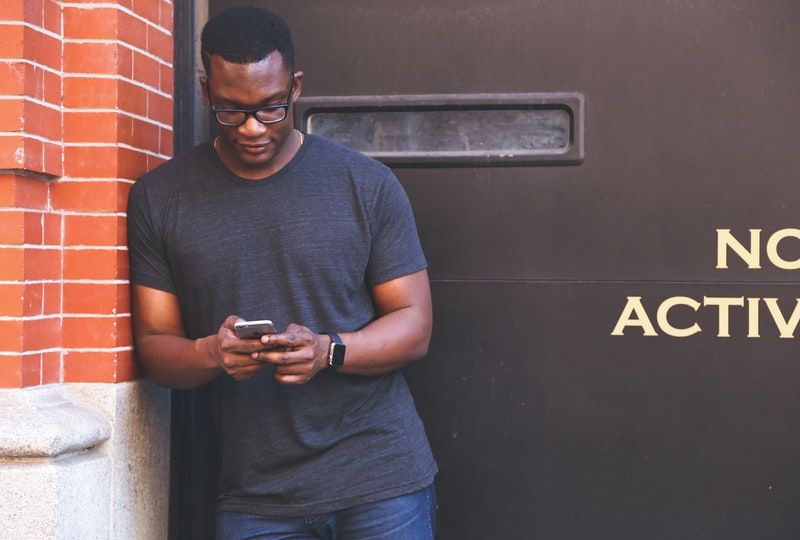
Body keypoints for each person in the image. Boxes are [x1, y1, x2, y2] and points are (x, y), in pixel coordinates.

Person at [127, 5, 438, 539]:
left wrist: (327, 351)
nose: (251, 127)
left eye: (269, 109)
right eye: (230, 110)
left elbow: (414, 324)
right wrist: (211, 353)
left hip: (381, 479)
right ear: (205, 92)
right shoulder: (160, 198)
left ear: (295, 87)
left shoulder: (365, 184)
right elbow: (156, 347)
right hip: (256, 498)